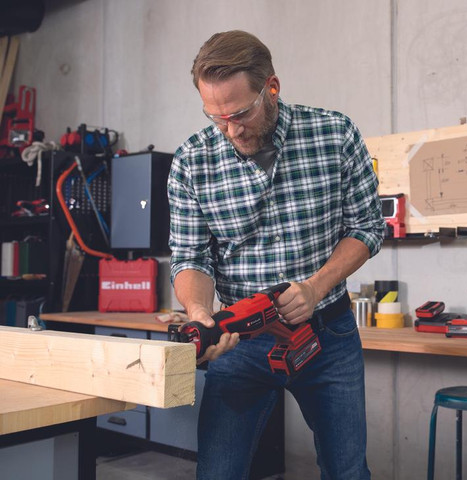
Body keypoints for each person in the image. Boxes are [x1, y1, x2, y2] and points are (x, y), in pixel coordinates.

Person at [168, 30, 385, 480]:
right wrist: (199, 312)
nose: (231, 130)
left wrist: (315, 287)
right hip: (239, 340)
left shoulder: (335, 134)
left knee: (347, 471)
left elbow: (367, 226)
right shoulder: (192, 161)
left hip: (327, 334)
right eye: (216, 118)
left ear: (271, 88)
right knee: (218, 473)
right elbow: (191, 256)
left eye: (240, 113)